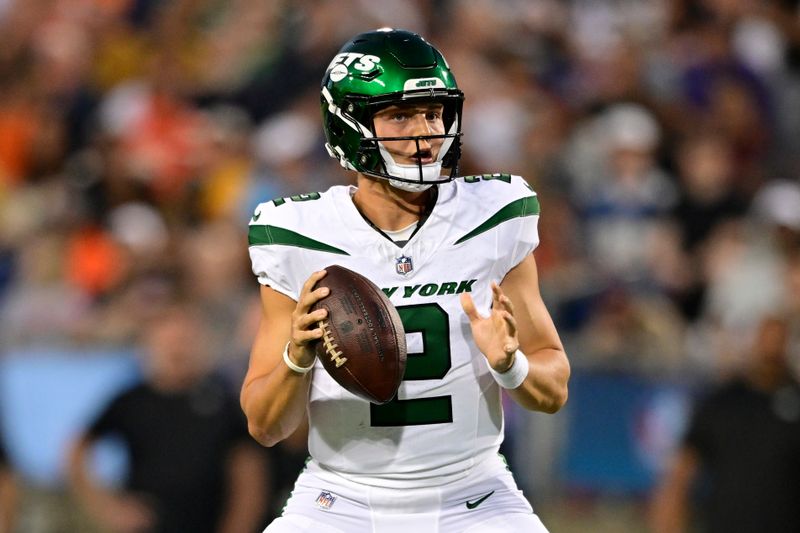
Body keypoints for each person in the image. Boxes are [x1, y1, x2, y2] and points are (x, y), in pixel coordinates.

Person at [242, 28, 570, 532]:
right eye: (400, 115)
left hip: (473, 495)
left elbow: (553, 391)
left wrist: (510, 365)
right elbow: (265, 426)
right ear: (348, 125)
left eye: (433, 113)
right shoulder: (295, 235)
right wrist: (295, 359)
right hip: (339, 499)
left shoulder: (494, 216)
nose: (425, 132)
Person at [68, 303, 267, 533]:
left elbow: (250, 475)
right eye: (168, 342)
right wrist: (108, 508)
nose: (177, 350)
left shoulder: (222, 400)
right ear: (149, 345)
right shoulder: (132, 401)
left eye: (184, 341)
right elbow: (77, 449)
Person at [649, 315, 800, 533]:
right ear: (753, 342)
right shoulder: (723, 403)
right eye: (766, 339)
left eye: (779, 341)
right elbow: (681, 475)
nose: (771, 349)